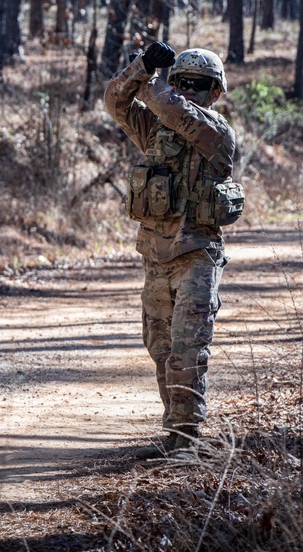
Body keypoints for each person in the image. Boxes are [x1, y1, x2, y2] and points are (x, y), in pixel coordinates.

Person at [104, 41, 237, 459]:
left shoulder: (216, 133)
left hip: (198, 254)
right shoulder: (156, 129)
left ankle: (189, 438)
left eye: (200, 85)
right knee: (159, 346)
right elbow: (114, 101)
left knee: (188, 347)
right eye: (183, 82)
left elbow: (174, 111)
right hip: (157, 257)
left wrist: (156, 82)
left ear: (215, 93)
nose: (190, 91)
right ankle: (174, 435)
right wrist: (140, 66)